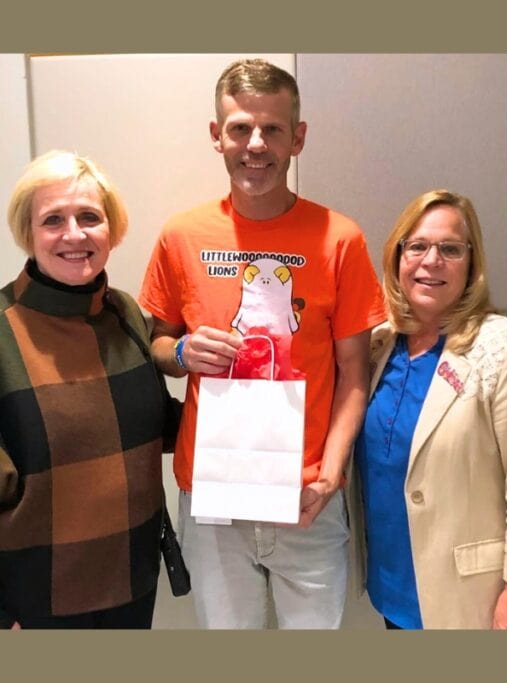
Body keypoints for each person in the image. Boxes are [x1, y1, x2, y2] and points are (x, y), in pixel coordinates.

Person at [139, 58, 386, 629]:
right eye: (240, 128)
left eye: (273, 128)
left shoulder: (340, 238)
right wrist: (180, 354)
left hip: (306, 496)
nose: (256, 144)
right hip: (213, 495)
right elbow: (156, 344)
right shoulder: (181, 235)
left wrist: (330, 472)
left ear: (297, 138)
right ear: (216, 137)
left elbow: (354, 373)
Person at [0, 151, 178, 629]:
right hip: (35, 602)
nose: (74, 234)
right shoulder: (2, 332)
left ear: (111, 229)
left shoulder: (126, 314)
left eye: (89, 217)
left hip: (132, 582)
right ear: (28, 232)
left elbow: (158, 426)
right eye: (53, 219)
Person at [346, 190, 507, 629]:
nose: (431, 260)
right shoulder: (377, 345)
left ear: (471, 263)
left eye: (450, 249)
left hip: (470, 597)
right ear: (397, 257)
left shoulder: (499, 347)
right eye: (416, 246)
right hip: (393, 584)